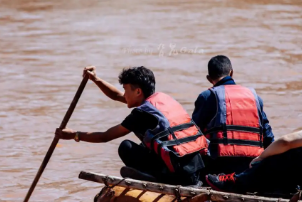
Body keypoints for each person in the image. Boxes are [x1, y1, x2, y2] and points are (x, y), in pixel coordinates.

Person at [56, 66, 208, 186]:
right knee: (146, 144)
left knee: (126, 147)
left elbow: (105, 136)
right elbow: (117, 96)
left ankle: (158, 179)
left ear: (138, 91)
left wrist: (75, 135)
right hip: (196, 168)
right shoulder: (162, 100)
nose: (124, 94)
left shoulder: (140, 115)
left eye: (126, 89)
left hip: (177, 173)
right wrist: (96, 79)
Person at [192, 55, 274, 175]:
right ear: (232, 72)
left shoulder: (207, 97)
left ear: (209, 78)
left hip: (218, 167)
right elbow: (268, 137)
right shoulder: (254, 97)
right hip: (251, 167)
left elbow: (193, 133)